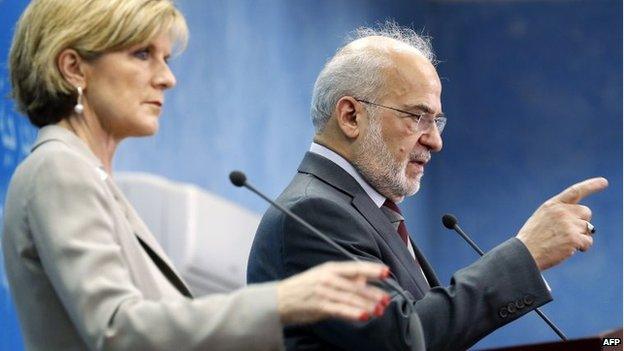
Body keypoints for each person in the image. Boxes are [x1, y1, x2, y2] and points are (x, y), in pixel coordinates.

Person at [1, 1, 395, 350]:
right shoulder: (60, 168)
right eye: (142, 54)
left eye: (165, 59)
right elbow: (117, 329)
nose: (167, 78)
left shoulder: (90, 176)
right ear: (73, 68)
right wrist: (281, 301)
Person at [246, 22, 609, 350]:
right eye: (418, 116)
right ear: (351, 116)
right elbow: (402, 340)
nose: (435, 141)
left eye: (437, 121)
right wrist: (525, 254)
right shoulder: (312, 213)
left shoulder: (368, 210)